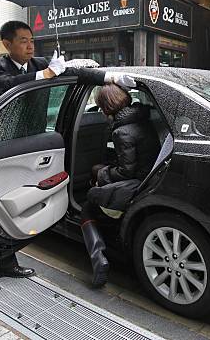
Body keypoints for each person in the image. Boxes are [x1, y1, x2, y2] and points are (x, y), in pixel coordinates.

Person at [0, 20, 136, 293]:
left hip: (30, 147)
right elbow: (7, 86)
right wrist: (46, 75)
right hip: (1, 148)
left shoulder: (40, 63)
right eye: (23, 40)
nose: (30, 45)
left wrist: (110, 78)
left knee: (16, 208)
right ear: (7, 44)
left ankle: (5, 262)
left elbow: (77, 73)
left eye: (32, 39)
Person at [81, 84, 161, 287]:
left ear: (106, 107)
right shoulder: (142, 118)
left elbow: (126, 172)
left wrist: (100, 174)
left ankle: (98, 258)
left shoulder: (121, 132)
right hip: (150, 178)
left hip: (136, 184)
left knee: (88, 204)